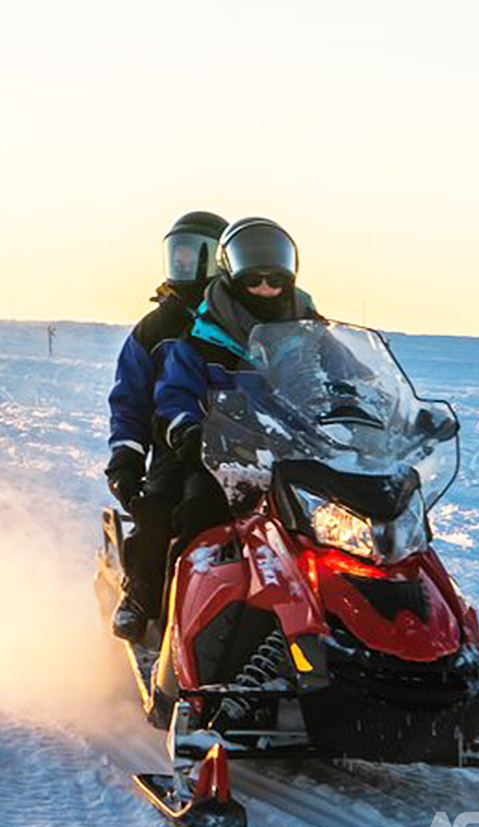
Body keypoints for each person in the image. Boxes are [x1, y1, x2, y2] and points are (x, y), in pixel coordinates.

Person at [153, 217, 321, 555]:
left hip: (305, 458)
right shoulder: (201, 340)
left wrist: (388, 415)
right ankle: (171, 602)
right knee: (196, 525)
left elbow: (354, 378)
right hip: (227, 463)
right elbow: (174, 396)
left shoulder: (310, 331)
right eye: (253, 280)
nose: (264, 288)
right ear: (233, 279)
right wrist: (187, 429)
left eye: (274, 280)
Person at [106, 211, 229, 640]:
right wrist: (126, 457)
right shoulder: (156, 329)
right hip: (178, 450)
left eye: (200, 255)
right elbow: (130, 401)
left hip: (255, 448)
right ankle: (142, 596)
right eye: (179, 255)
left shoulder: (242, 319)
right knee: (159, 509)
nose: (188, 266)